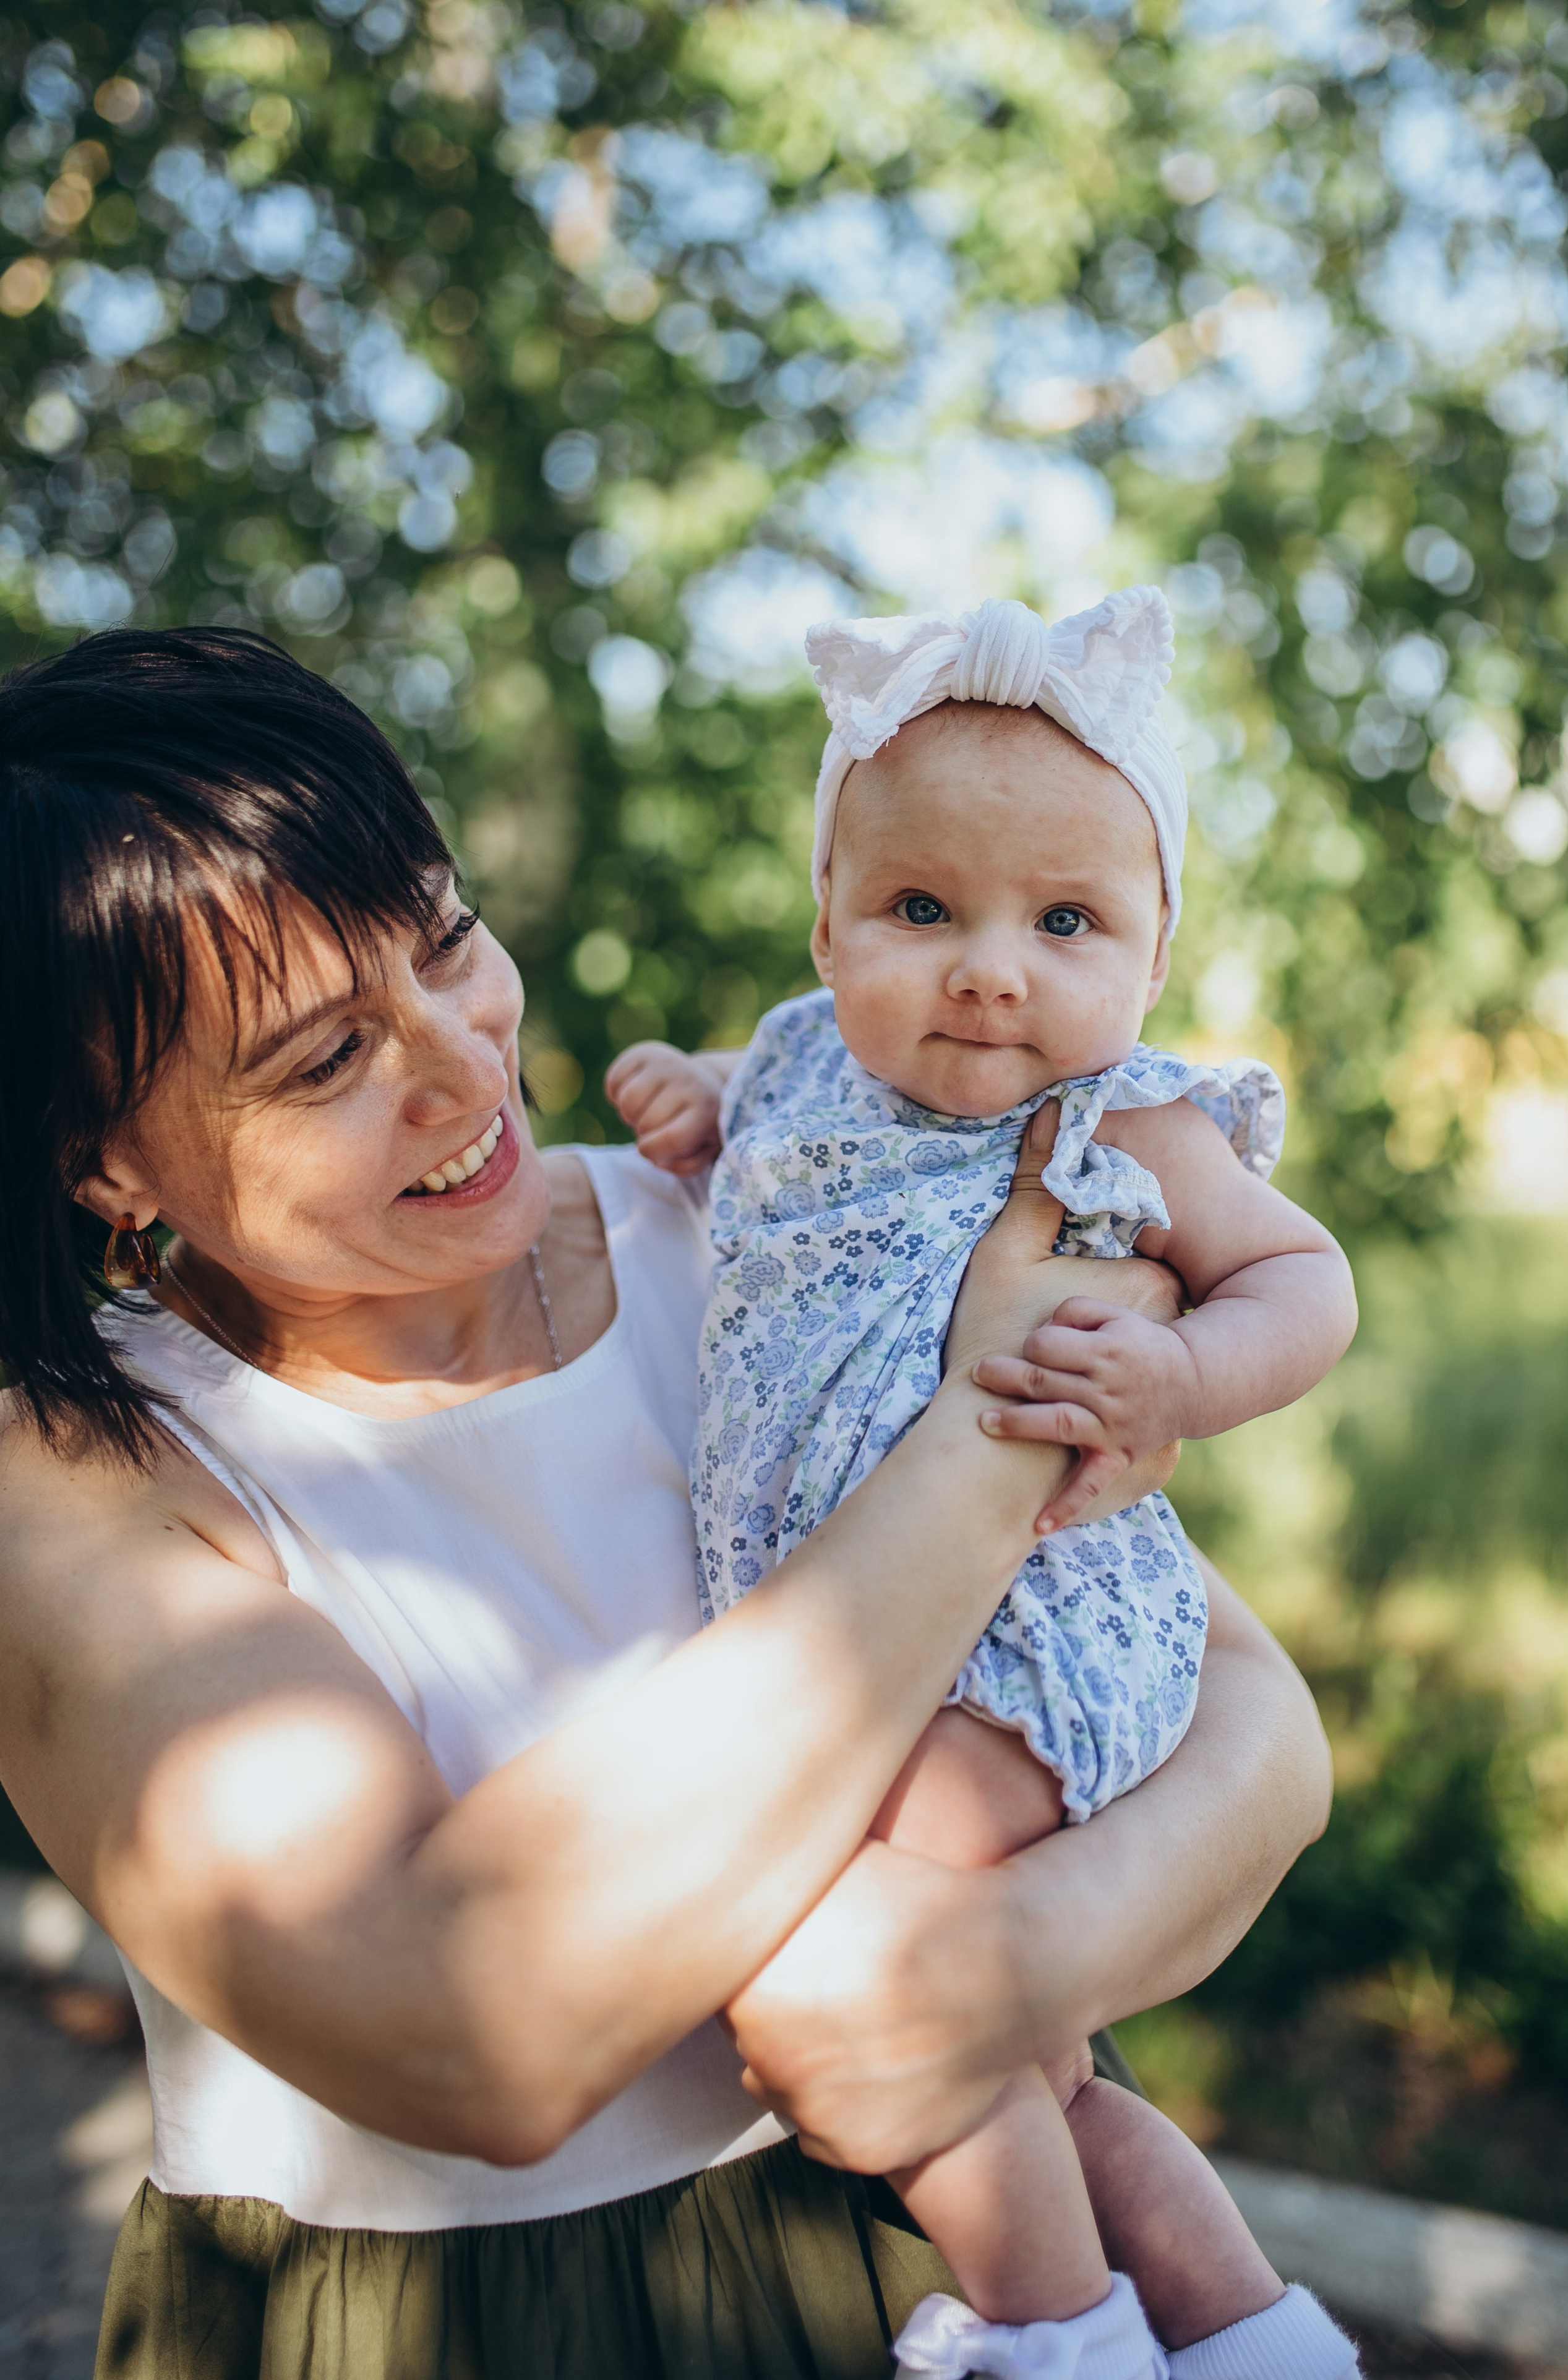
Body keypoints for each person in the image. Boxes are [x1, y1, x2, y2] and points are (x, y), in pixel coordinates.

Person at [0, 628, 1331, 2380]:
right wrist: (988, 1427)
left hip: (966, 2232)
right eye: (325, 1061)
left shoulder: (768, 1225)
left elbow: (1253, 1725)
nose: (465, 1066)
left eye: (449, 942)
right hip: (478, 2334)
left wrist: (987, 1973)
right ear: (101, 1153)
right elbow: (464, 2031)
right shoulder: (79, 1470)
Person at [609, 590, 1360, 2379]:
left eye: (1066, 919)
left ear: (1154, 956)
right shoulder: (803, 1053)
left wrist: (1177, 1372)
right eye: (921, 910)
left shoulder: (1122, 1127)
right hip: (876, 1634)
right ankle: (1248, 2339)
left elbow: (1309, 1283)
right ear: (828, 926)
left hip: (1033, 1635)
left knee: (875, 1968)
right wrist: (695, 1098)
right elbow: (767, 1108)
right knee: (1037, 2077)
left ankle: (1056, 2336)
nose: (989, 967)